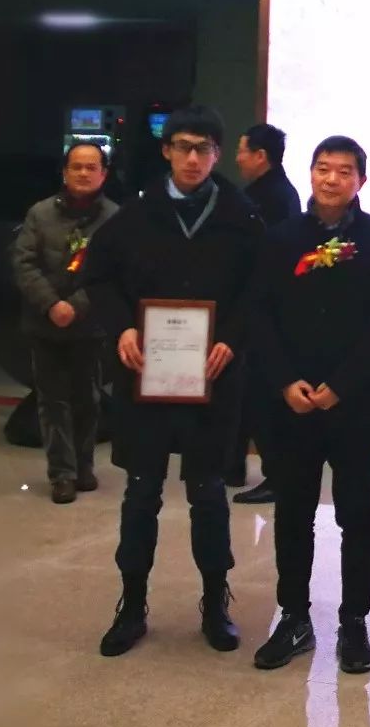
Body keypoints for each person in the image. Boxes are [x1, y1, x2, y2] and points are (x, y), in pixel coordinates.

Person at [81, 105, 263, 658]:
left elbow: (259, 288)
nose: (192, 158)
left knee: (208, 493)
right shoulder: (136, 216)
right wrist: (122, 328)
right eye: (183, 146)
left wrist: (233, 336)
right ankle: (132, 605)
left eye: (204, 149)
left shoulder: (241, 217)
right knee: (141, 492)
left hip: (213, 377)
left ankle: (215, 604)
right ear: (166, 151)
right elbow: (98, 276)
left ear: (217, 154)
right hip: (147, 377)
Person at [250, 135, 370, 674]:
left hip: (356, 402)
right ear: (310, 173)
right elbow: (259, 313)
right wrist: (284, 381)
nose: (332, 179)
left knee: (357, 512)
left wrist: (341, 384)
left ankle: (354, 621)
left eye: (344, 171)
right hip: (290, 402)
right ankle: (294, 617)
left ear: (361, 180)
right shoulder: (280, 237)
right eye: (323, 168)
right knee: (293, 510)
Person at [11, 141, 119, 504]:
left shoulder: (115, 218)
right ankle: (62, 474)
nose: (84, 173)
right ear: (65, 172)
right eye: (77, 167)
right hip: (45, 325)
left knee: (88, 400)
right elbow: (24, 263)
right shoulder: (40, 214)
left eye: (91, 167)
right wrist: (52, 305)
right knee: (52, 401)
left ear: (103, 174)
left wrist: (76, 306)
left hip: (91, 326)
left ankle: (84, 466)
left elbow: (115, 272)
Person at [229, 123, 302, 503]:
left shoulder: (271, 198)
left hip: (266, 309)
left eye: (242, 150)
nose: (237, 158)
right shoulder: (269, 192)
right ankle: (233, 464)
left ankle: (278, 475)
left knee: (263, 394)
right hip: (259, 306)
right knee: (245, 392)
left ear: (260, 156)